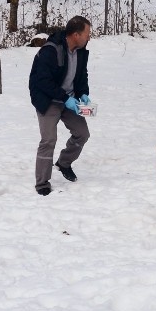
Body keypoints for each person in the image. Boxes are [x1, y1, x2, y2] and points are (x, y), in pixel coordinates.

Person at [29, 16, 93, 196]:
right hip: (48, 99)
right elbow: (42, 81)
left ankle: (64, 163)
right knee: (48, 140)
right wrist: (65, 98)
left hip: (69, 100)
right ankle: (42, 182)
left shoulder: (81, 51)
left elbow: (82, 76)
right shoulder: (51, 50)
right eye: (87, 34)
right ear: (75, 34)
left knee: (82, 134)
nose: (89, 37)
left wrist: (83, 94)